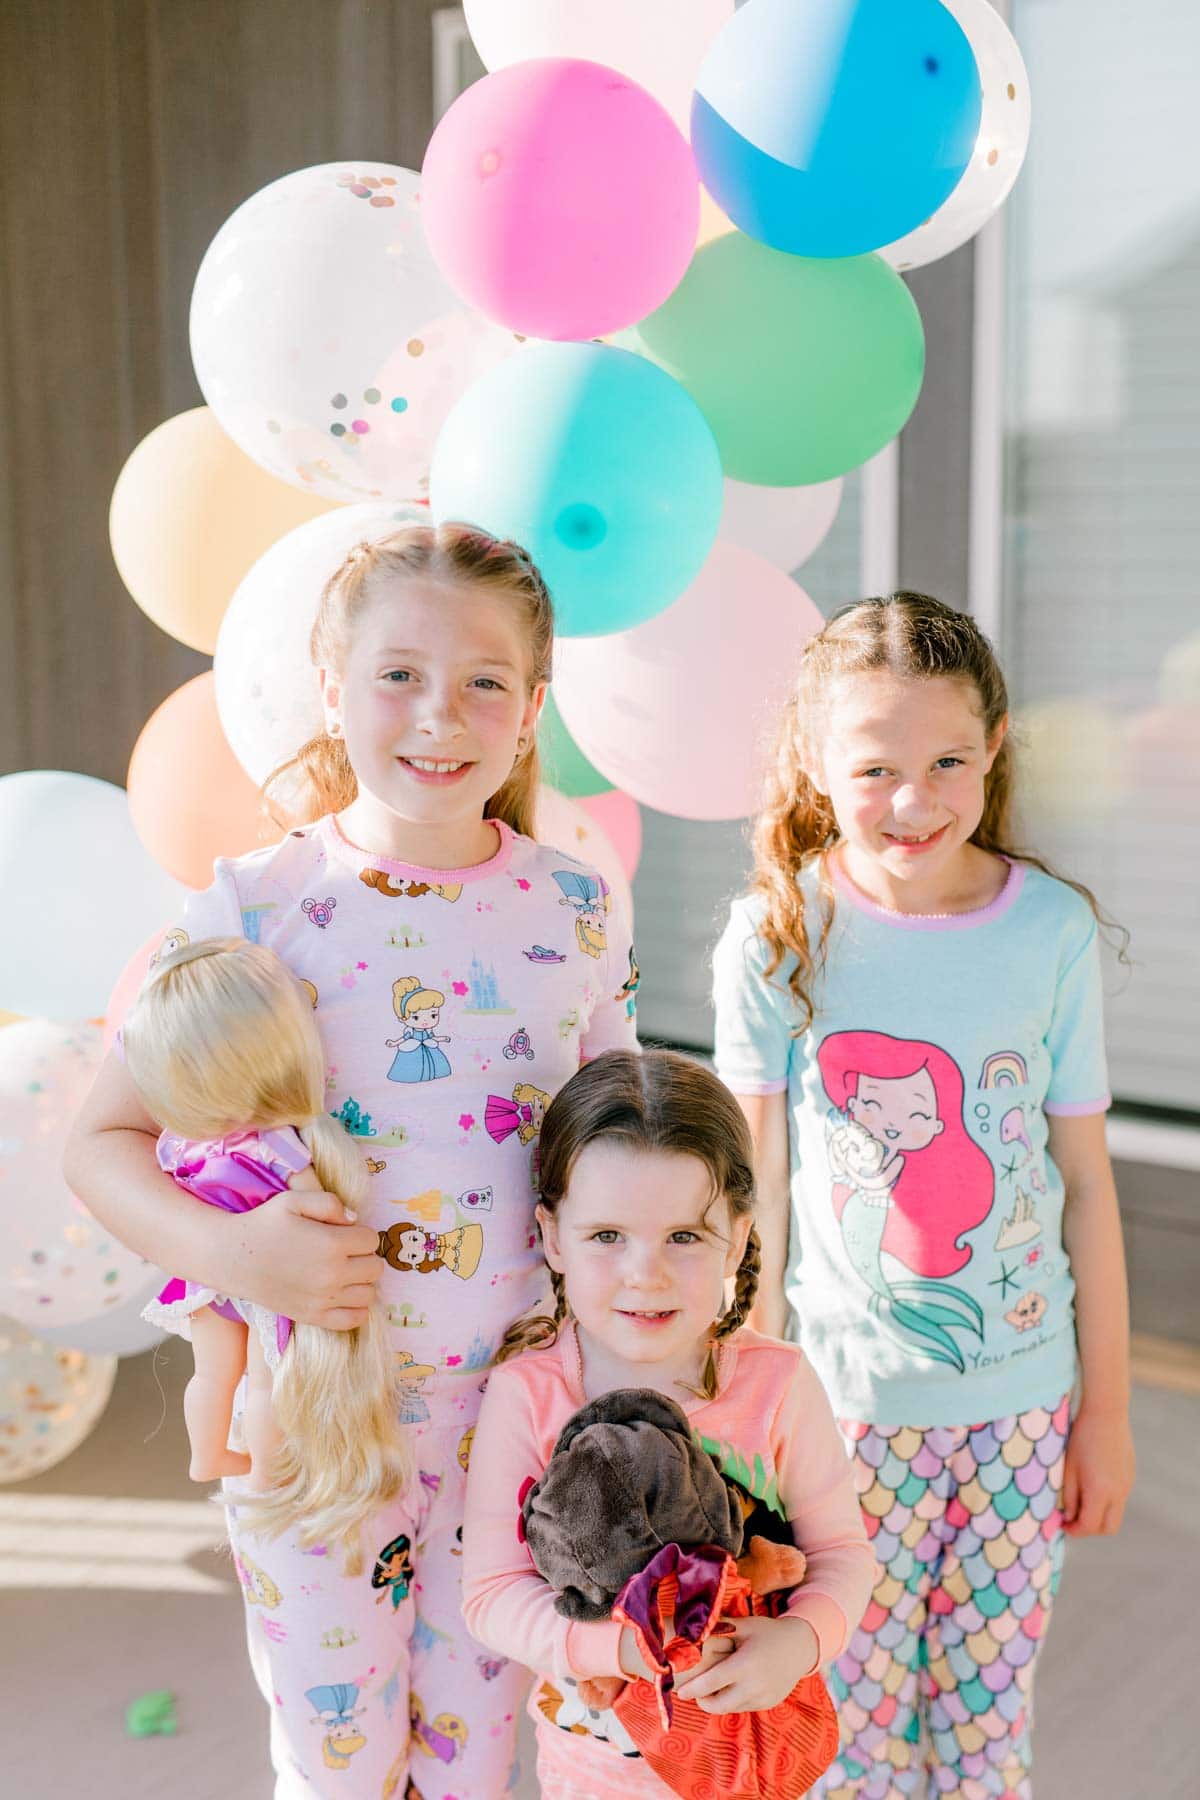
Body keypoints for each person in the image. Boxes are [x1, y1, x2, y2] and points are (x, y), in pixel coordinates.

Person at [64, 523, 638, 1800]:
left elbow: (616, 1158)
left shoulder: (575, 908)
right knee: (338, 1762)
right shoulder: (256, 903)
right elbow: (98, 1143)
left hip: (519, 1430)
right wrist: (233, 1252)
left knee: (474, 1760)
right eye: (398, 674)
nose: (442, 712)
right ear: (331, 686)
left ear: (533, 706)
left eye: (486, 680)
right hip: (322, 1427)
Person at [711, 593, 1136, 1799]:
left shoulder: (1047, 930)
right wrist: (747, 1430)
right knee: (850, 1730)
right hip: (846, 1420)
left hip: (1024, 1414)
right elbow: (753, 1201)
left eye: (948, 760)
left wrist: (1102, 1414)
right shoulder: (778, 933)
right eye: (877, 768)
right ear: (814, 762)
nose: (915, 799)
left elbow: (1086, 1189)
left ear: (995, 746)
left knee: (988, 1734)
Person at [460, 1048, 876, 1800]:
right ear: (553, 1236)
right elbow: (490, 1595)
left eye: (683, 1237)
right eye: (606, 1236)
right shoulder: (528, 1394)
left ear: (740, 1234)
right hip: (592, 1778)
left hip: (757, 1763)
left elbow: (844, 1555)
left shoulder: (778, 1385)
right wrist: (619, 1648)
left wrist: (799, 1641)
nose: (644, 1273)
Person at [122, 935, 409, 1564]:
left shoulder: (182, 1144)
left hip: (204, 1279)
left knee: (214, 1373)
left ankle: (209, 1453)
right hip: (271, 1280)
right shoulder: (273, 1145)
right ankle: (265, 1467)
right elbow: (319, 1205)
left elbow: (162, 1176)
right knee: (264, 1380)